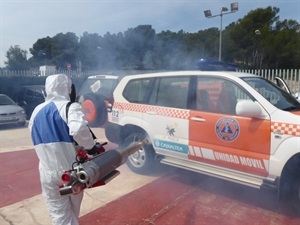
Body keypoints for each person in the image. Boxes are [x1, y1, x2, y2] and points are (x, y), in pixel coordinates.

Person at [28, 74, 96, 225]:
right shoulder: (69, 107)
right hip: (70, 171)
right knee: (72, 212)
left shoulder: (35, 112)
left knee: (59, 215)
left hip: (46, 171)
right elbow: (78, 129)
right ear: (67, 88)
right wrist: (90, 147)